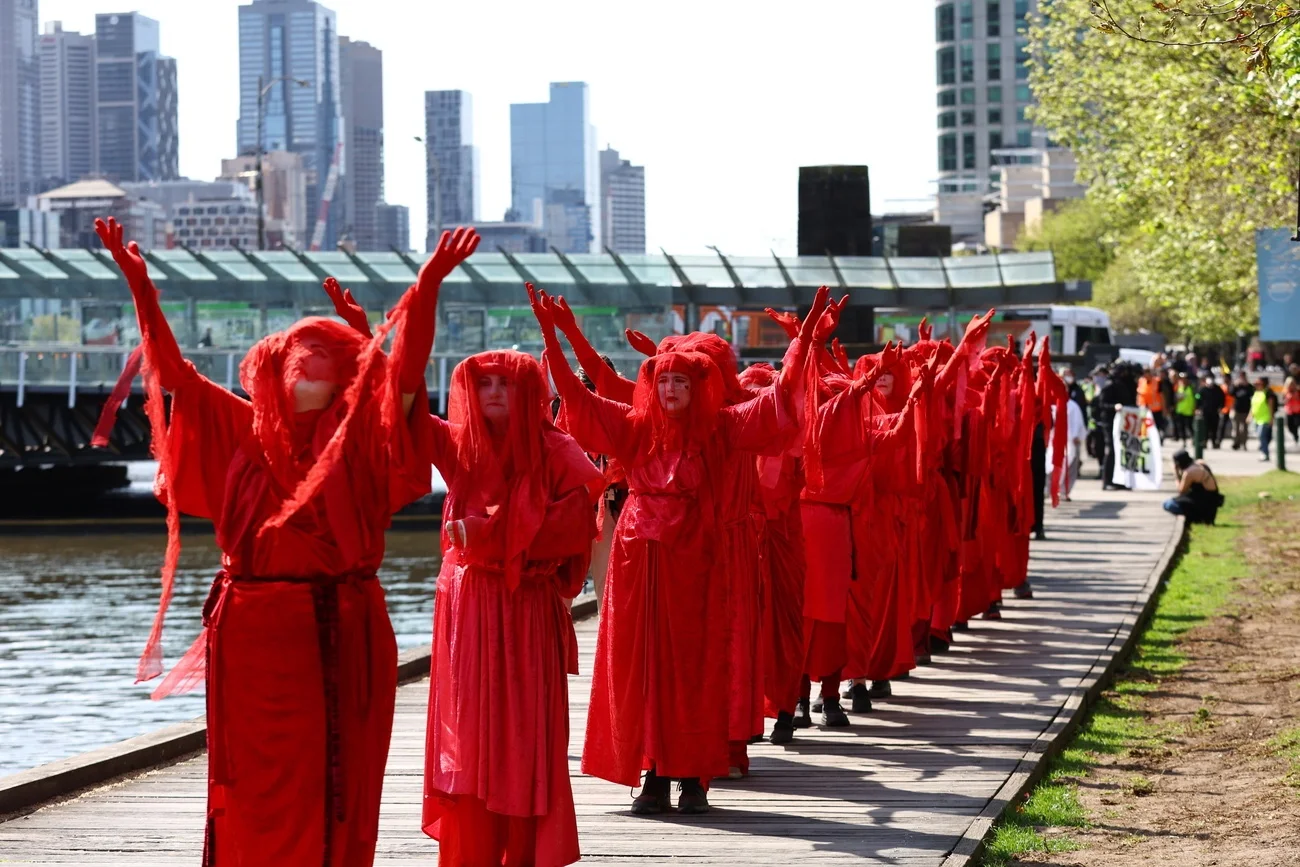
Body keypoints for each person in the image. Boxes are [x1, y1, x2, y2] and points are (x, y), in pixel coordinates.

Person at [91, 217, 470, 867]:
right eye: (297, 352)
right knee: (252, 786)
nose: (305, 361)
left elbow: (406, 375)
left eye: (322, 355)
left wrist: (427, 286)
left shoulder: (360, 445)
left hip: (338, 627)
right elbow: (174, 374)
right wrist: (140, 289)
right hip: (252, 636)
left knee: (337, 778)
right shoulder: (242, 428)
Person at [532, 283, 828, 816]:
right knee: (640, 667)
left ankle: (691, 776)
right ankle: (652, 775)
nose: (669, 390)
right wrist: (557, 335)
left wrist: (803, 341)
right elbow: (581, 396)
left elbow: (782, 401)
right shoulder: (634, 428)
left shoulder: (723, 427)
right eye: (662, 380)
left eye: (679, 382)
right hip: (639, 565)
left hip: (697, 564)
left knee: (694, 667)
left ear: (698, 388)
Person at [421, 349, 603, 867]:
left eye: (506, 383)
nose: (494, 392)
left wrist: (488, 534)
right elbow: (402, 412)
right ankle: (475, 851)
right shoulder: (460, 446)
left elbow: (573, 526)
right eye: (484, 384)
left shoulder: (557, 449)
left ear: (528, 394)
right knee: (473, 736)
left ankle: (522, 853)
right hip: (470, 609)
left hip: (525, 608)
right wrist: (380, 337)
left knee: (523, 736)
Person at [1163, 450, 1222, 524]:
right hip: (1211, 504)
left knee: (1168, 504)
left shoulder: (1189, 472)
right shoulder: (1200, 463)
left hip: (1204, 505)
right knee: (1176, 500)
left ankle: (1194, 518)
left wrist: (1176, 474)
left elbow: (1181, 491)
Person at [1251, 378, 1279, 462]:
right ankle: (1263, 449)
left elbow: (1271, 407)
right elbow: (1253, 406)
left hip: (1265, 419)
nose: (1256, 385)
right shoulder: (1256, 393)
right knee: (1262, 436)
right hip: (1257, 419)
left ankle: (1265, 453)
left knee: (1261, 435)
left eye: (1258, 384)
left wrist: (1271, 418)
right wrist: (1250, 416)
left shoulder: (1268, 394)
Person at [1196, 373, 1225, 449]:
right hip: (1205, 412)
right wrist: (1198, 408)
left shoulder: (1218, 389)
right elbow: (1198, 398)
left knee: (1214, 428)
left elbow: (1222, 398)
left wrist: (1221, 407)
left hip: (1215, 412)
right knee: (1205, 428)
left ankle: (1214, 442)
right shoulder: (1202, 389)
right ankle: (1205, 442)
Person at [1231, 372, 1255, 450]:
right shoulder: (1237, 386)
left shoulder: (1248, 386)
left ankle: (1244, 444)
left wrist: (1247, 385)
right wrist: (1235, 385)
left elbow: (1252, 393)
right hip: (1237, 409)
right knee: (1236, 428)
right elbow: (1231, 393)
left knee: (1245, 429)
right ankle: (1236, 443)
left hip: (1246, 410)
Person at [1173, 372, 1196, 442]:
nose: (1183, 380)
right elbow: (1175, 397)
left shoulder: (1191, 387)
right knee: (1181, 427)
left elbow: (1195, 398)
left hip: (1189, 410)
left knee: (1190, 426)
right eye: (1182, 379)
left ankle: (1194, 438)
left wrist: (1194, 408)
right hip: (1180, 410)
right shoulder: (1178, 387)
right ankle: (1184, 441)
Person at [1285, 372, 1300, 445]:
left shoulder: (1298, 390)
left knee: (1296, 425)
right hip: (1289, 411)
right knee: (1290, 427)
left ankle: (1296, 437)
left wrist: (1296, 396)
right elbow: (1284, 401)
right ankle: (1295, 436)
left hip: (1297, 411)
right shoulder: (1286, 391)